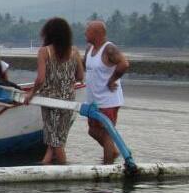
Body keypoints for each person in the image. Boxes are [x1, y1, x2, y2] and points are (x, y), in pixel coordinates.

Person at [25, 17, 85, 165]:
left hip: (50, 99)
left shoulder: (45, 52)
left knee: (55, 140)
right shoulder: (74, 52)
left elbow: (40, 79)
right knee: (58, 137)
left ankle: (65, 171)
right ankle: (45, 164)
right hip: (68, 100)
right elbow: (80, 76)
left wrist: (31, 94)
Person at [84, 20, 129, 163]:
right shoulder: (89, 49)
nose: (85, 33)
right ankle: (114, 152)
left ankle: (108, 166)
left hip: (108, 100)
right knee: (93, 131)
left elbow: (124, 63)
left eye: (88, 31)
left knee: (107, 133)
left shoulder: (109, 49)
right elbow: (85, 67)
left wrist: (112, 80)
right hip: (93, 100)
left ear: (97, 33)